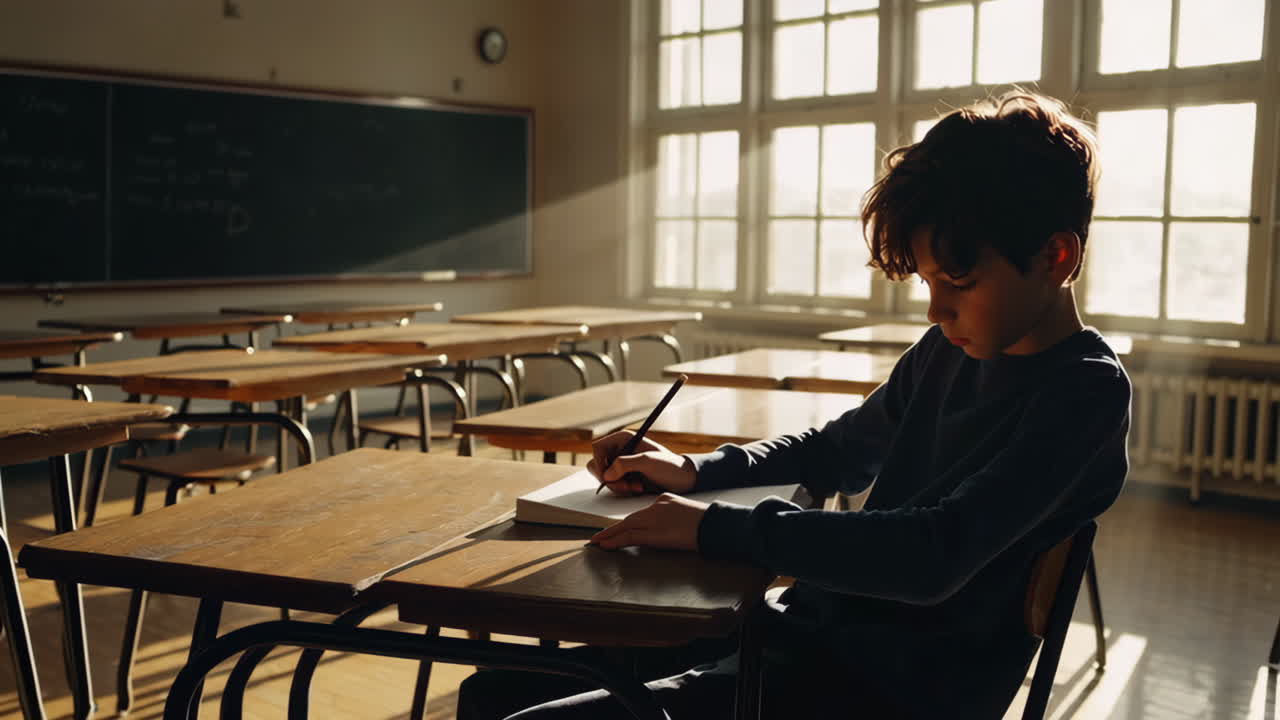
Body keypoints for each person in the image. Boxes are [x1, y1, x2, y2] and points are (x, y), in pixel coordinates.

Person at [456, 90, 1131, 719]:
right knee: (490, 692)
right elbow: (836, 450)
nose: (935, 308)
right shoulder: (946, 352)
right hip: (808, 636)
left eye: (957, 281)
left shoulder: (1085, 393)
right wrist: (697, 475)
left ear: (1056, 256)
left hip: (879, 690)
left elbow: (933, 554)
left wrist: (713, 528)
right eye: (927, 281)